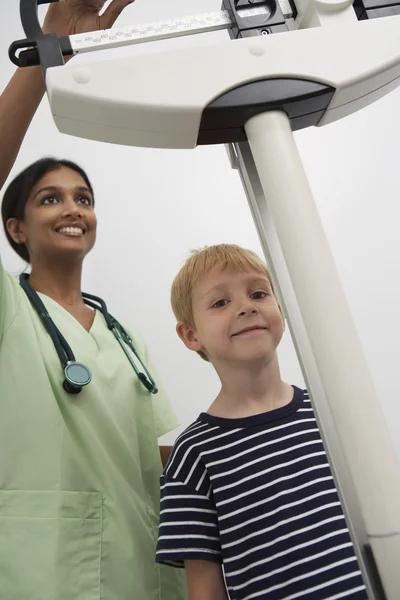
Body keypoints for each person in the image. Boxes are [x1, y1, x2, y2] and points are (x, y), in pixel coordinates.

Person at [0, 2, 186, 599]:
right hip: (46, 576)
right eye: (49, 199)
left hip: (149, 573)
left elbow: (162, 460)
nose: (74, 208)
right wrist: (46, 50)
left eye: (83, 196)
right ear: (16, 229)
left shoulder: (125, 337)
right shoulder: (10, 310)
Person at [156, 244, 368, 600]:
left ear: (280, 312)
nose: (246, 306)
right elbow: (204, 588)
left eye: (258, 293)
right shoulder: (193, 455)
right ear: (191, 335)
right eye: (220, 302)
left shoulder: (332, 415)